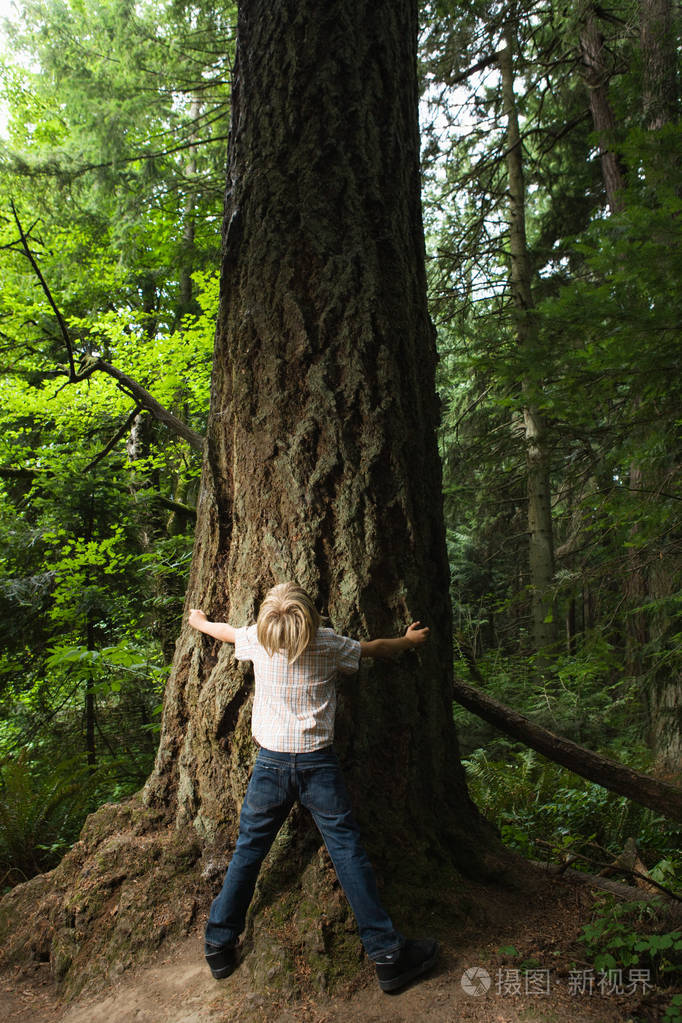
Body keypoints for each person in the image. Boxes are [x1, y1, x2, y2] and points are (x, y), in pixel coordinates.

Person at [188, 581, 438, 993]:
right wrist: (409, 640)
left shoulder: (258, 639)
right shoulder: (327, 643)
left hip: (269, 765)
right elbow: (376, 648)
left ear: (269, 619)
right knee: (347, 852)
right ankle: (388, 957)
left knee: (248, 851)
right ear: (311, 616)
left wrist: (199, 622)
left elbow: (226, 631)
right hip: (318, 764)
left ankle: (218, 942)